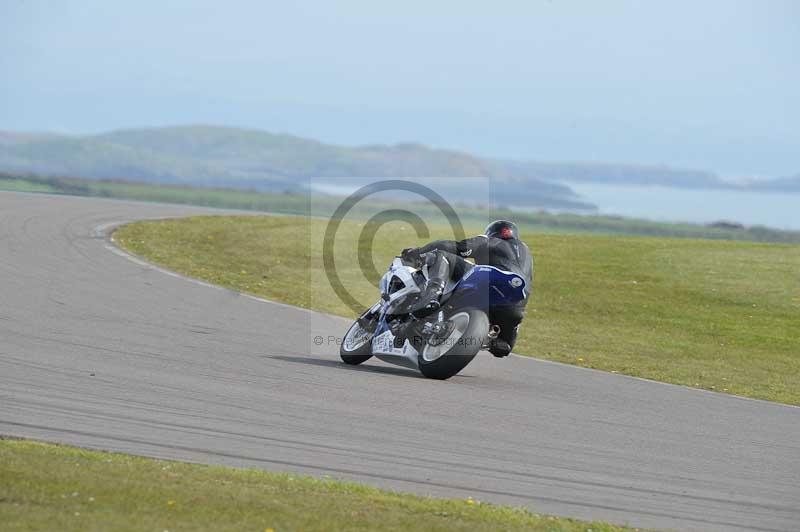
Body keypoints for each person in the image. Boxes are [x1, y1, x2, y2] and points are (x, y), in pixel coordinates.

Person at [401, 220, 533, 357]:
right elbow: (504, 350)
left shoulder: (492, 240)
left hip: (491, 277)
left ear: (493, 232)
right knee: (504, 346)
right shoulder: (526, 253)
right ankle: (479, 338)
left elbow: (459, 247)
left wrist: (419, 252)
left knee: (442, 255)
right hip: (516, 303)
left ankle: (432, 296)